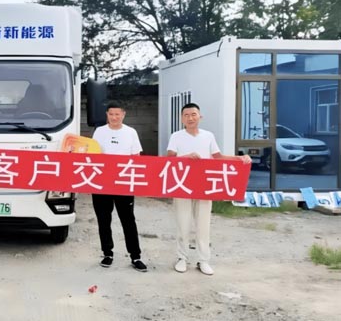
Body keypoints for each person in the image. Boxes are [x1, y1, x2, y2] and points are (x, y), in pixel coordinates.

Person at [166, 102, 252, 275]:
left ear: (200, 116)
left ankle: (203, 260)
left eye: (193, 114)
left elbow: (218, 157)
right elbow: (169, 160)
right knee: (183, 224)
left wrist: (239, 158)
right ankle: (182, 258)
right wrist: (186, 157)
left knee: (203, 225)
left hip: (205, 185)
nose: (190, 118)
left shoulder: (208, 136)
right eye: (186, 115)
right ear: (182, 118)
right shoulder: (176, 136)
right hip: (182, 184)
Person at [91, 100, 148, 272]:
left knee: (128, 220)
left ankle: (135, 256)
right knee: (103, 219)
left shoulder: (130, 132)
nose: (114, 117)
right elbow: (92, 155)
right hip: (102, 183)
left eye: (117, 114)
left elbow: (136, 157)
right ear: (107, 115)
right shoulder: (99, 131)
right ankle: (107, 253)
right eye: (111, 114)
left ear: (123, 114)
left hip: (123, 182)